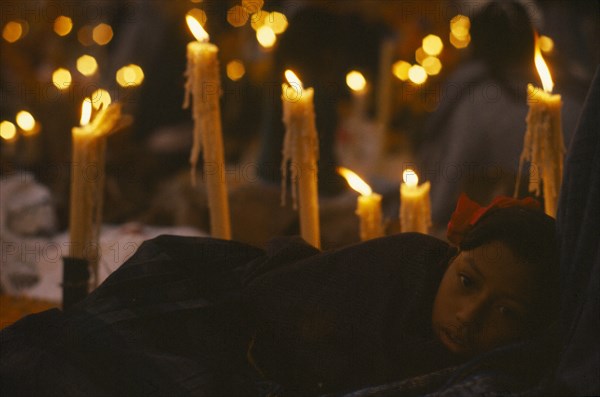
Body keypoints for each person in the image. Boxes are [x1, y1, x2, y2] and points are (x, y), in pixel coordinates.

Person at [0, 195, 559, 396]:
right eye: (467, 282)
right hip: (228, 318)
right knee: (74, 354)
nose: (469, 317)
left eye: (505, 313)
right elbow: (271, 299)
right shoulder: (403, 265)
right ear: (453, 255)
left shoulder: (487, 376)